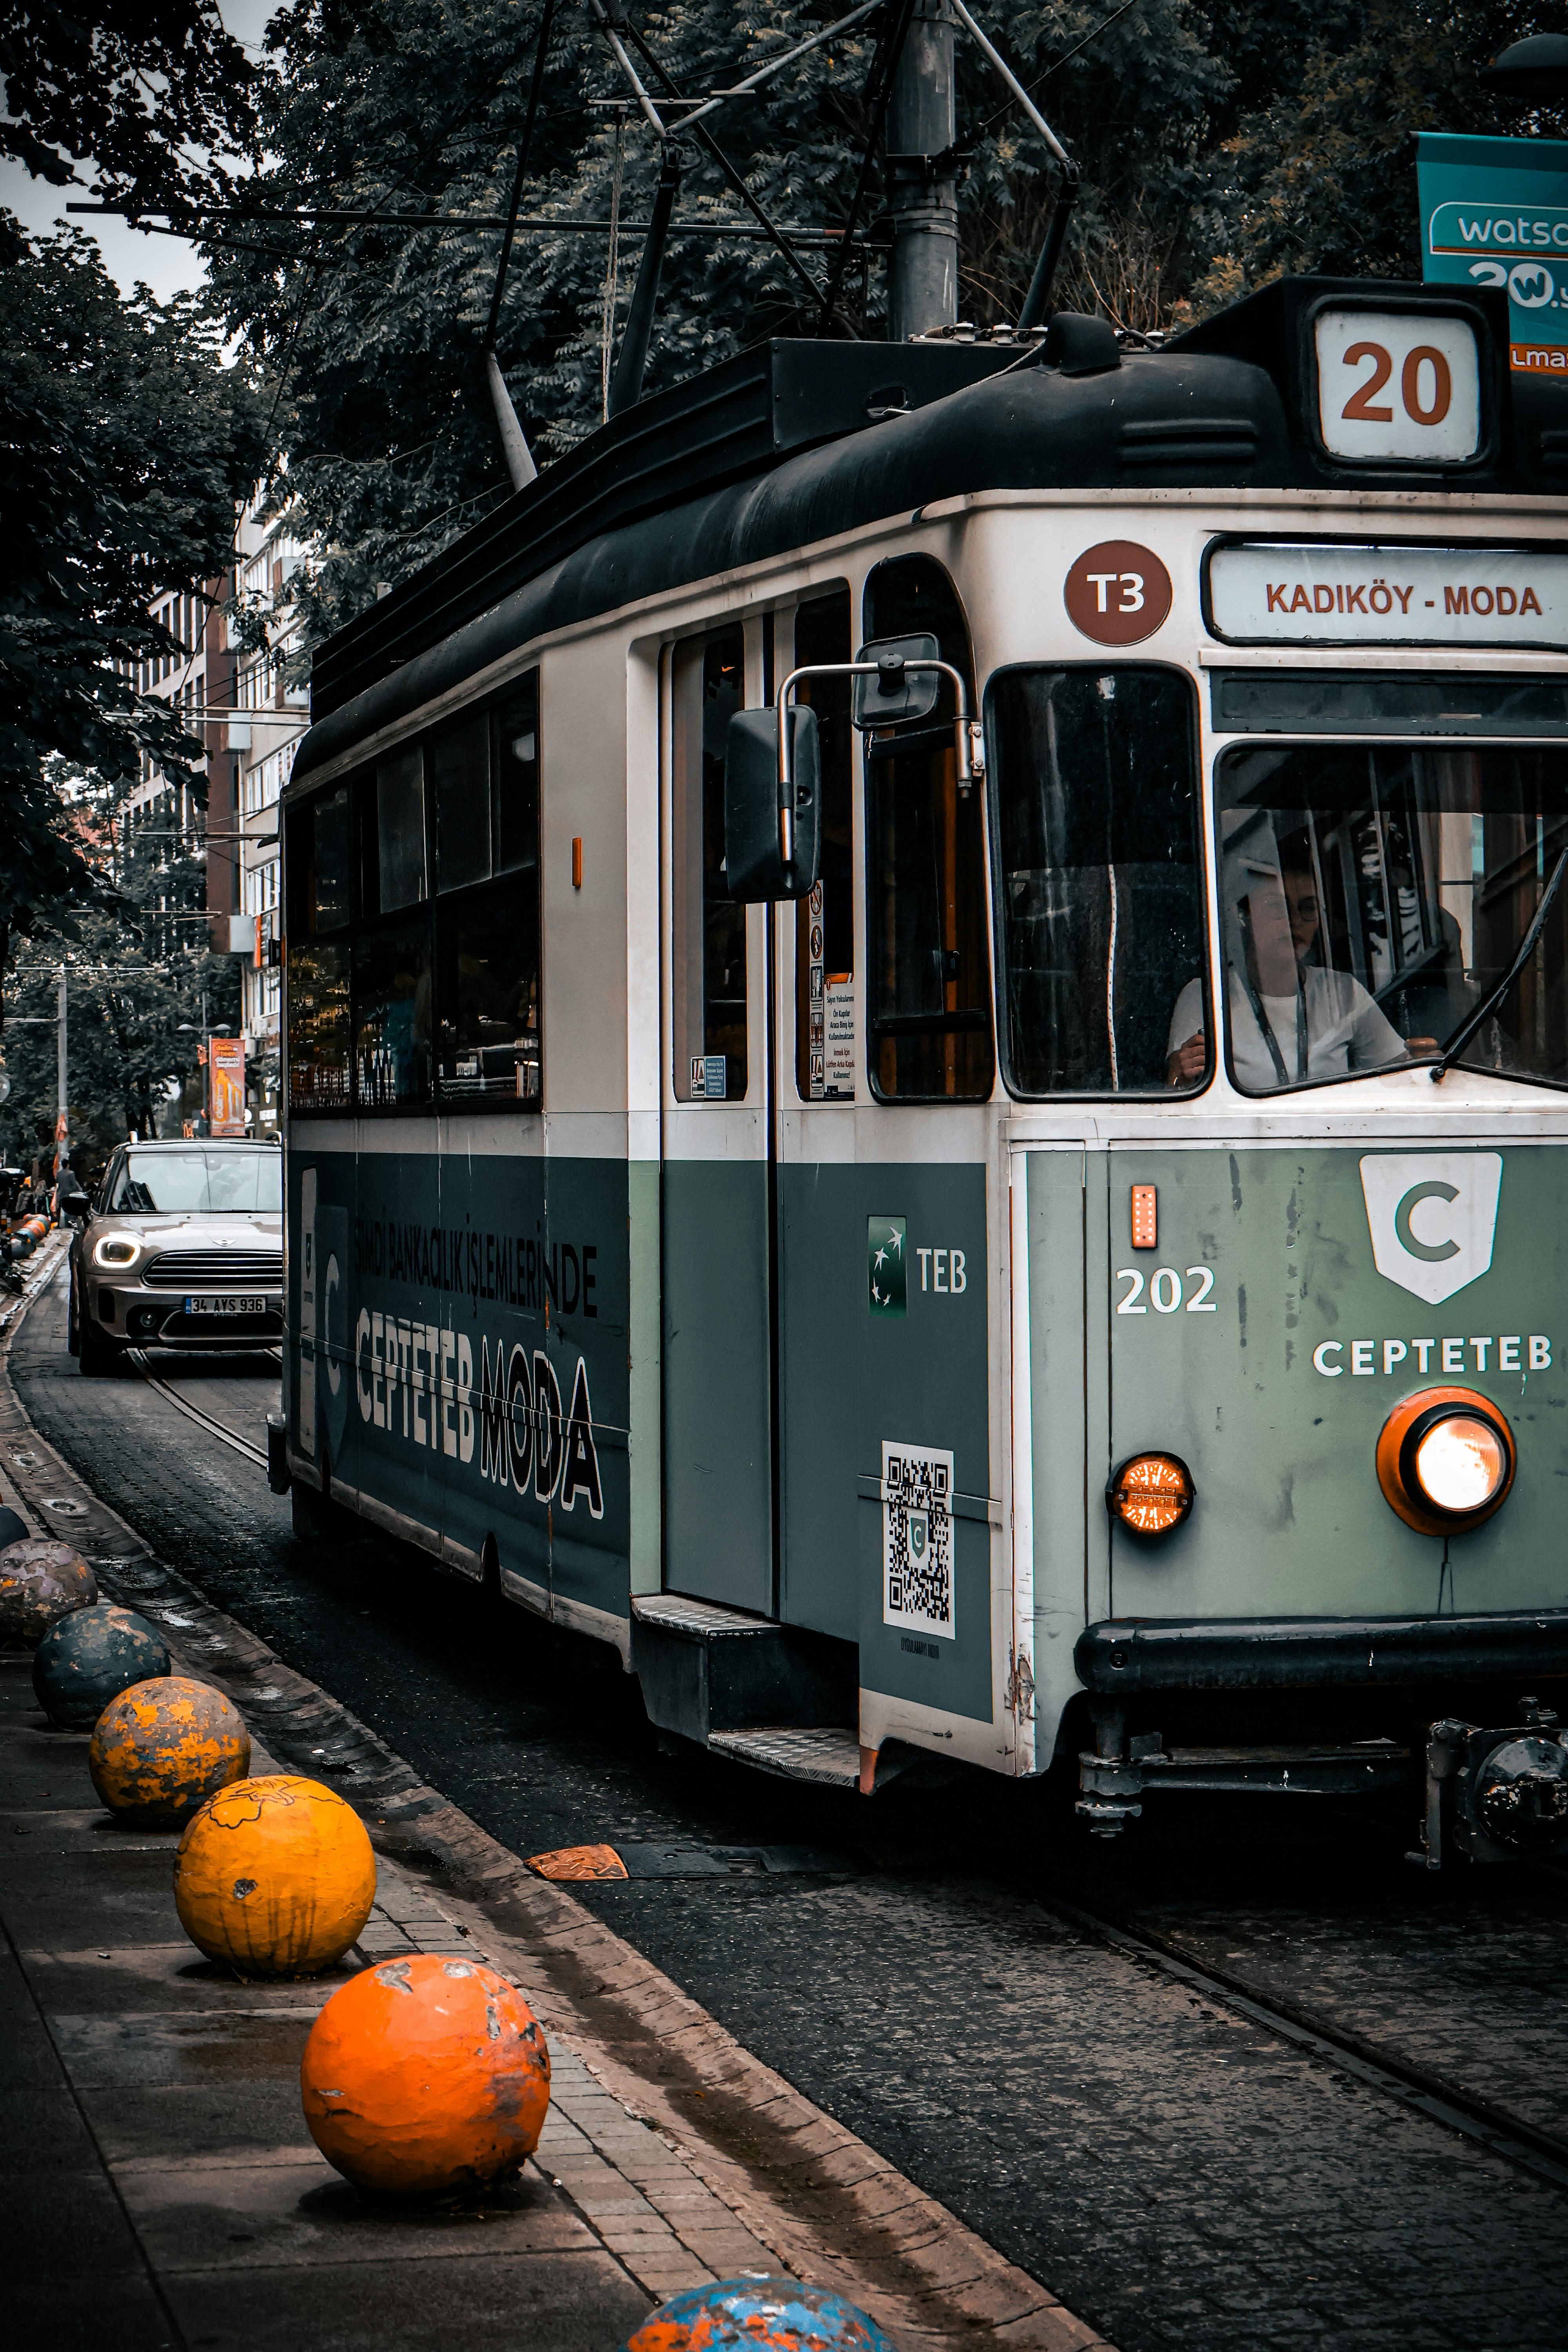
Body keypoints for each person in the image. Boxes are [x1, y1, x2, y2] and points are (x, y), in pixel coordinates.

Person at [1168, 841, 1437, 1089]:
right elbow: (1176, 1088)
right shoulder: (1206, 996)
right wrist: (1181, 1074)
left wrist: (1423, 1064)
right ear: (1244, 917)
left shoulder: (1343, 992)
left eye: (1307, 908)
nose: (1294, 921)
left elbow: (1398, 1075)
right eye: (1278, 907)